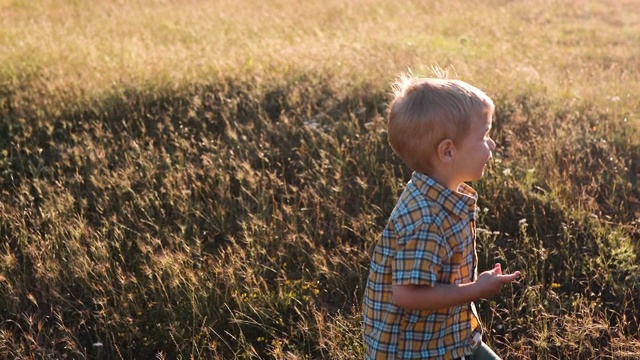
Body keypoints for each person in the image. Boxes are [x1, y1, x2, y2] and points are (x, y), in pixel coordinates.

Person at [362, 73, 521, 359]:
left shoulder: (442, 195)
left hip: (447, 335)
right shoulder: (426, 219)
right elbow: (407, 295)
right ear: (447, 151)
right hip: (415, 350)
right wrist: (476, 289)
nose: (492, 145)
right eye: (484, 136)